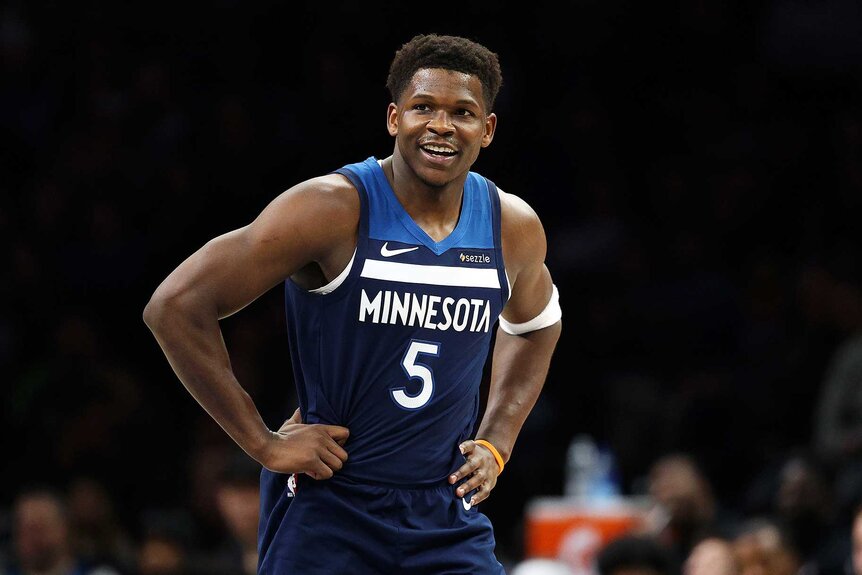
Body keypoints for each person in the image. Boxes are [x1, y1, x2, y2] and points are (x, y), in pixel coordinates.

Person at [143, 33, 562, 574]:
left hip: (444, 513)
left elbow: (537, 324)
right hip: (332, 506)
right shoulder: (331, 208)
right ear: (393, 118)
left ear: (487, 129)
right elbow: (175, 306)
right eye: (423, 108)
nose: (441, 125)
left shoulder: (512, 226)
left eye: (462, 112)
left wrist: (498, 439)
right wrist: (263, 444)